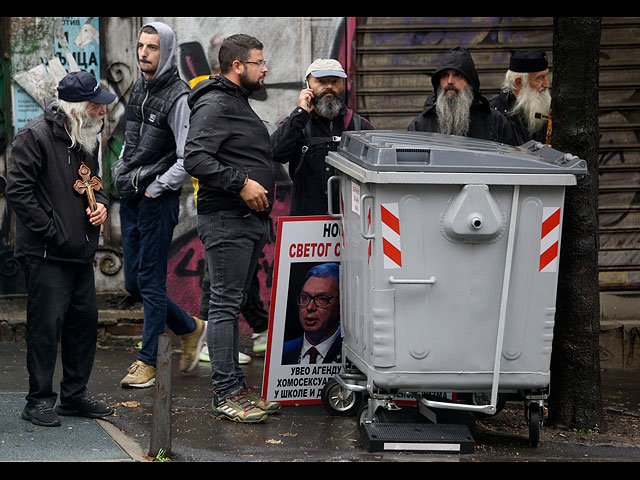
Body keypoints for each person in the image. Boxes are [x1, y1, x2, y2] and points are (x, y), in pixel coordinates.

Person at [6, 70, 115, 427]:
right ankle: (38, 401)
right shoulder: (34, 135)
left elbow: (95, 184)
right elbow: (18, 192)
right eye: (97, 106)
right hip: (46, 253)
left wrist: (100, 204)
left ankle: (74, 396)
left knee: (84, 324)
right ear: (78, 107)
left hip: (81, 252)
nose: (102, 112)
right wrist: (53, 231)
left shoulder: (88, 137)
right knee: (45, 327)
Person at [184, 33, 280, 423]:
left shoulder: (234, 102)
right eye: (259, 62)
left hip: (242, 221)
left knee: (230, 303)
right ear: (238, 66)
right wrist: (241, 182)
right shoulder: (217, 103)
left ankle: (237, 390)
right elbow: (195, 157)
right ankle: (226, 394)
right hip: (226, 218)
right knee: (224, 306)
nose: (265, 68)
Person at [112, 22, 206, 389]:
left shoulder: (179, 96)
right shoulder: (140, 87)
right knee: (134, 283)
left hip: (155, 199)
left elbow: (187, 158)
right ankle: (189, 327)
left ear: (165, 51)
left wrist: (156, 187)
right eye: (140, 46)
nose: (143, 53)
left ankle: (146, 361)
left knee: (150, 281)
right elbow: (131, 141)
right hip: (131, 194)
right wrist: (121, 167)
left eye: (152, 47)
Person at [271, 58, 374, 216]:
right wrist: (299, 114)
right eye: (321, 81)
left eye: (335, 81)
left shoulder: (360, 126)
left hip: (351, 224)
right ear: (308, 86)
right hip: (306, 223)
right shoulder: (297, 124)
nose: (329, 87)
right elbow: (275, 153)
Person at [408, 47, 519, 146]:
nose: (450, 81)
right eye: (445, 75)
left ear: (470, 82)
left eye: (458, 75)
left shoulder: (495, 122)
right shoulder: (420, 125)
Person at [282, 263, 341, 365]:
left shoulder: (353, 355)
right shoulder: (284, 351)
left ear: (341, 303)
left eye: (322, 299)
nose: (310, 307)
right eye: (305, 298)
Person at [489, 50, 551, 145]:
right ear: (519, 82)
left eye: (546, 76)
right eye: (539, 78)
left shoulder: (545, 108)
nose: (546, 84)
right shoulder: (495, 113)